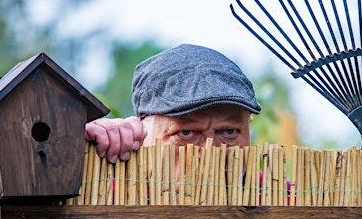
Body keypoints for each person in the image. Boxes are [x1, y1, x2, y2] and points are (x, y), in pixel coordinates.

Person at [85, 44, 262, 163]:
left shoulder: (280, 200)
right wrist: (78, 148)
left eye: (229, 132)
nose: (210, 154)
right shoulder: (106, 192)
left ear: (249, 128)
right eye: (186, 133)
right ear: (142, 133)